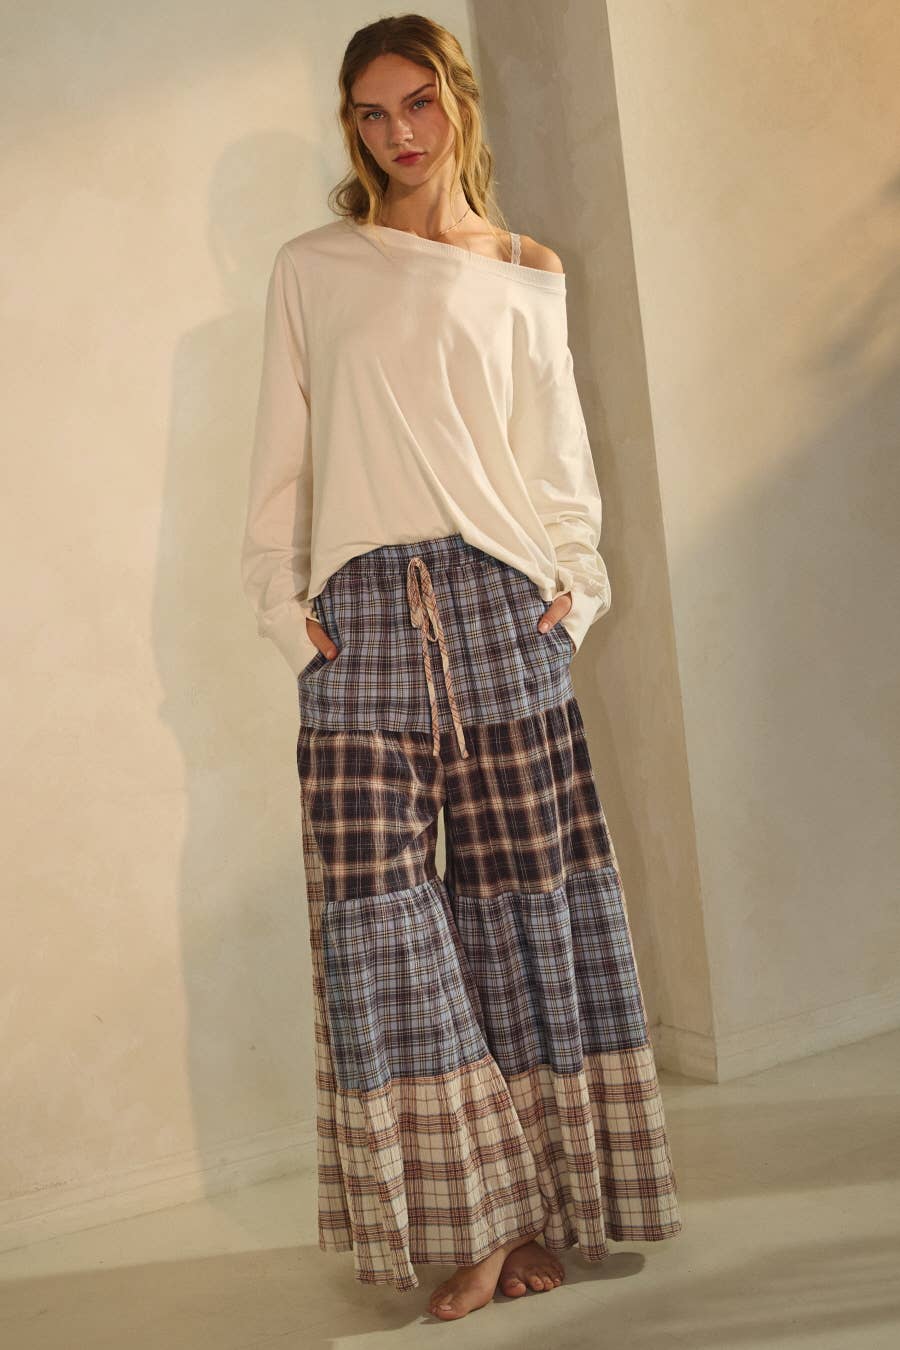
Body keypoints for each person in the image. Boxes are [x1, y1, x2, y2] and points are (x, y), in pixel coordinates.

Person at [241, 12, 682, 1323]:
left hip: (504, 611)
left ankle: (534, 1218)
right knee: (380, 930)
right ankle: (472, 1220)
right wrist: (287, 614)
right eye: (371, 113)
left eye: (418, 101)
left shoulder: (527, 270)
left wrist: (574, 593)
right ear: (352, 127)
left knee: (528, 920)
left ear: (458, 102)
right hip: (363, 620)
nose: (399, 133)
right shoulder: (314, 268)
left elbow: (559, 461)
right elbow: (280, 461)